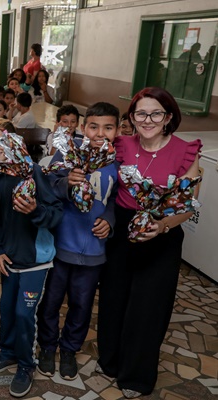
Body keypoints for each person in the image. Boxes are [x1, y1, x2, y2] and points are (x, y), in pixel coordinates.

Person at [97, 87, 201, 399]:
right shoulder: (121, 144)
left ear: (168, 117)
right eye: (140, 113)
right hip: (122, 230)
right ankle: (111, 360)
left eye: (156, 113)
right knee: (114, 298)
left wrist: (162, 225)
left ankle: (136, 375)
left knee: (148, 307)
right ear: (131, 117)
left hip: (162, 234)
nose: (148, 119)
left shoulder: (186, 150)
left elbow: (188, 203)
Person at [37, 102, 120, 381]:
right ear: (83, 128)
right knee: (50, 302)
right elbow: (48, 187)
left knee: (82, 304)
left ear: (117, 131)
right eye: (94, 126)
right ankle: (47, 346)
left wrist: (109, 220)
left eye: (108, 127)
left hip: (94, 251)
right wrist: (66, 183)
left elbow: (114, 201)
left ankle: (70, 349)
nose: (100, 133)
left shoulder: (116, 163)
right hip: (62, 246)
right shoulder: (68, 152)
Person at [0, 118, 63, 398]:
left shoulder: (34, 173)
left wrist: (35, 211)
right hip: (9, 261)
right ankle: (7, 352)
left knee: (24, 314)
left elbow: (55, 215)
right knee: (6, 310)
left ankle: (27, 364)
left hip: (35, 262)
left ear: (14, 141)